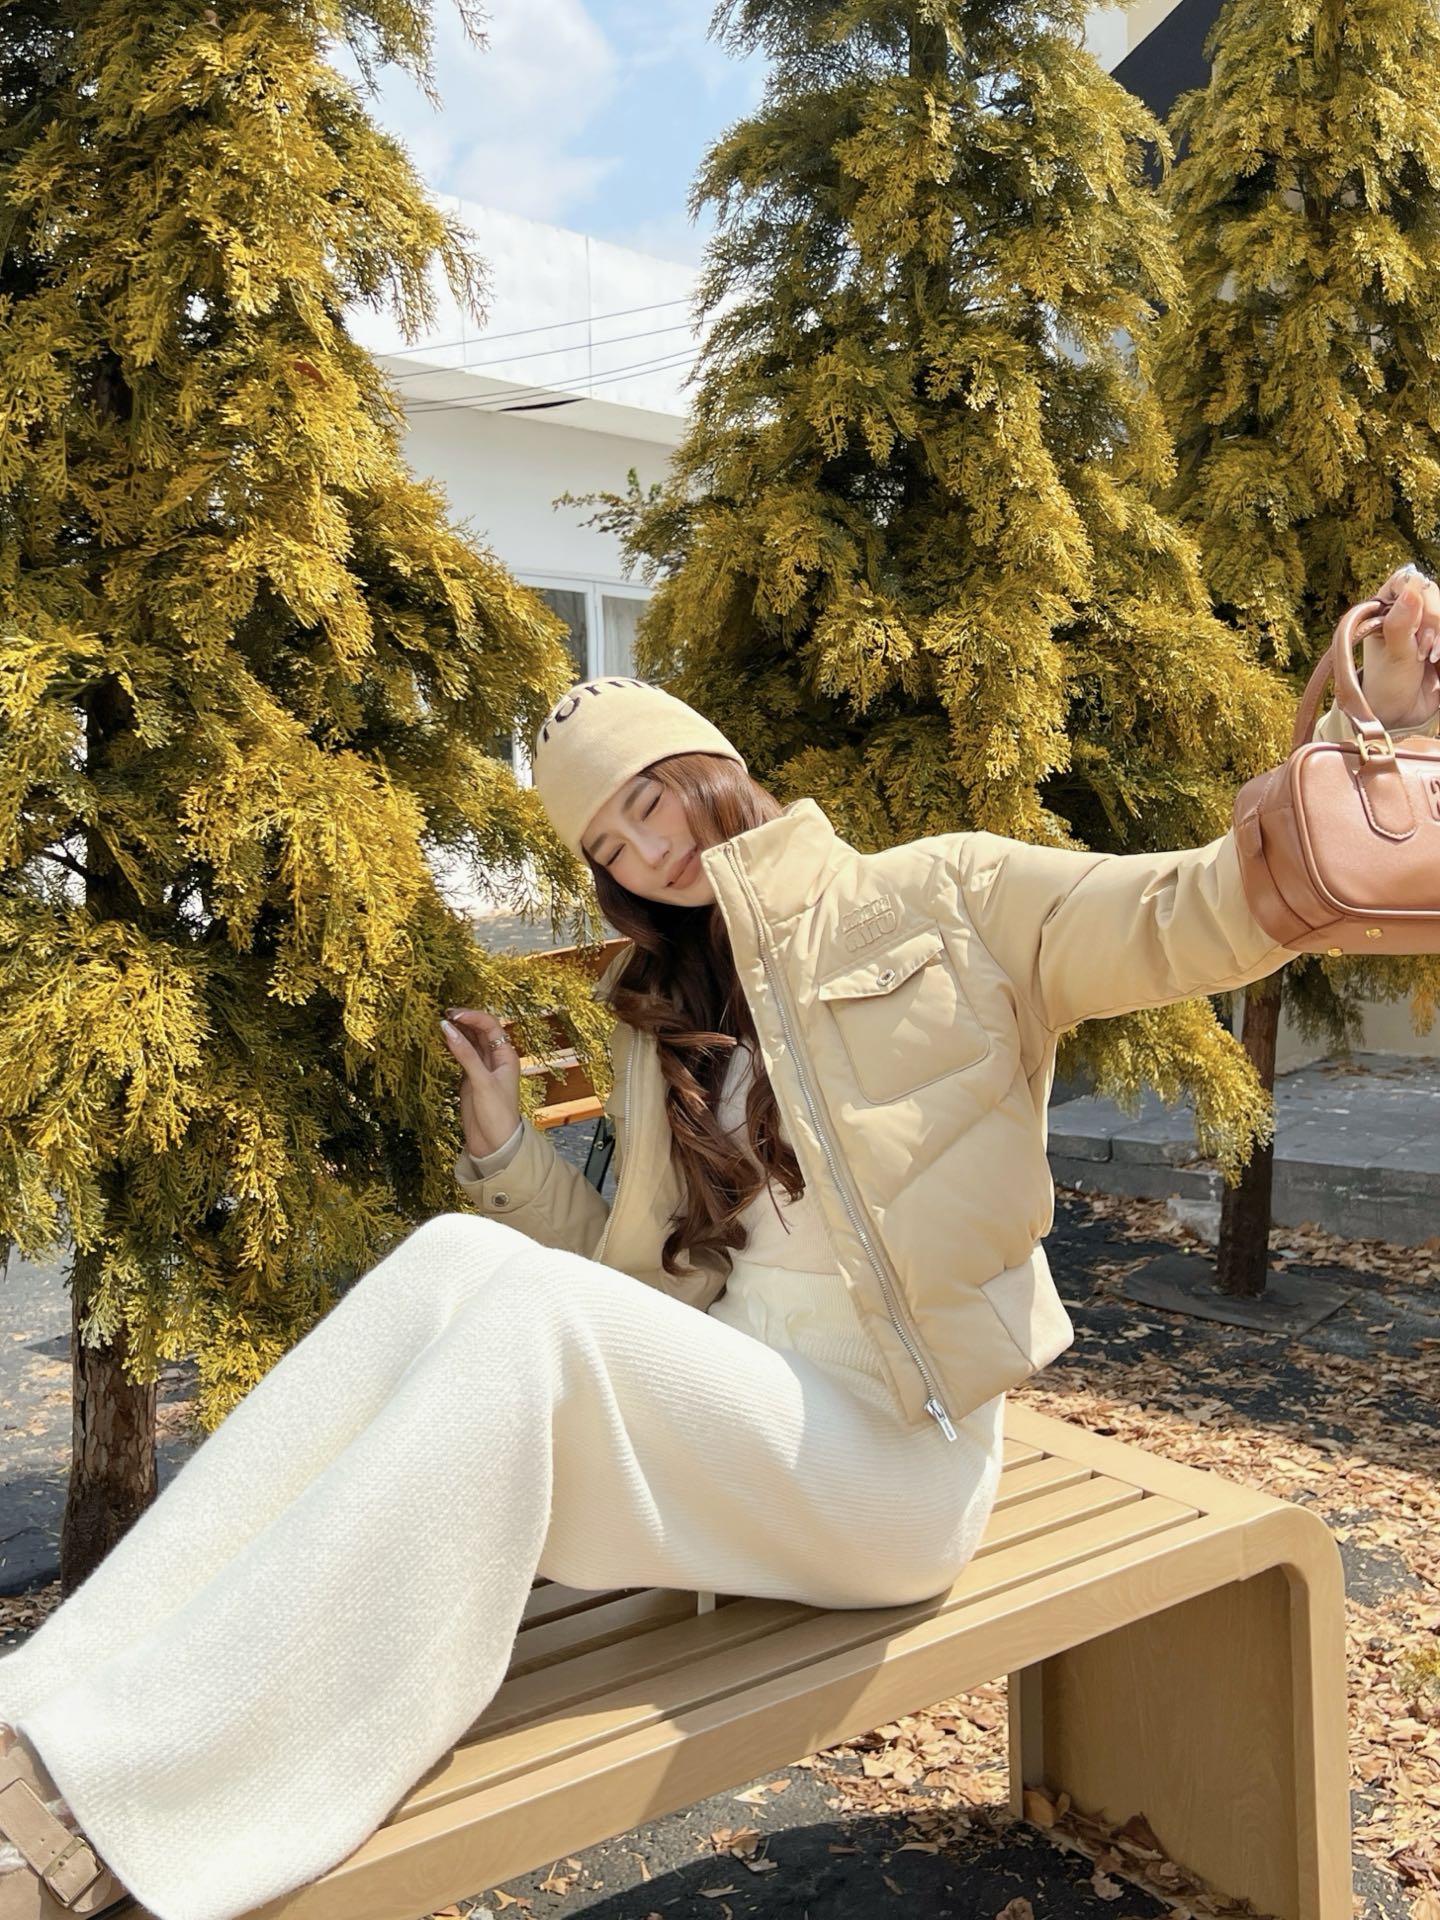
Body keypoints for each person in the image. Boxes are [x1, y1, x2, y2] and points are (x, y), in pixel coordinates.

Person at [1, 570, 1437, 1920]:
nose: (647, 852)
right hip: (743, 1434)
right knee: (451, 1260)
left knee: (519, 1318)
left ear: (709, 764)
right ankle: (44, 1714)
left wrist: (1376, 736)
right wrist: (503, 1151)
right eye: (609, 847)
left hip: (892, 1462)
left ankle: (126, 1810)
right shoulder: (665, 1025)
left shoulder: (946, 897)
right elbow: (631, 1291)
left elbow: (1190, 914)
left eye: (647, 800)